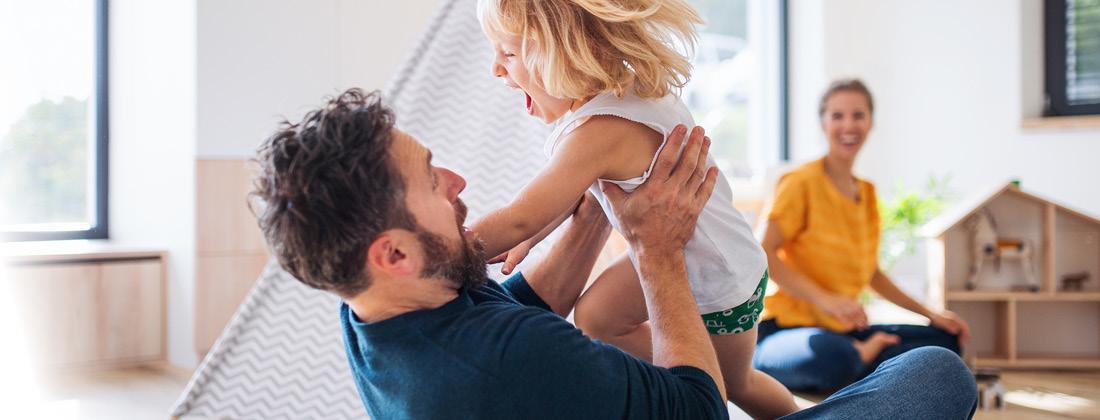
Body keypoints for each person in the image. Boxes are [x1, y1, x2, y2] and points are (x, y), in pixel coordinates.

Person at [251, 88, 976, 419]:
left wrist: (601, 199)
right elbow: (701, 408)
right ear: (395, 254)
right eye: (432, 182)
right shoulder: (500, 365)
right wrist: (656, 251)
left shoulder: (374, 312)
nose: (458, 182)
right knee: (935, 376)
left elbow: (517, 301)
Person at [470, 1, 794, 416]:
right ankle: (672, 373)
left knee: (736, 385)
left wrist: (447, 251)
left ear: (565, 51)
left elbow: (521, 214)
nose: (496, 69)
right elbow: (558, 196)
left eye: (508, 53)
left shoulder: (601, 131)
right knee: (595, 318)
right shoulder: (615, 95)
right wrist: (532, 237)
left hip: (720, 276)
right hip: (685, 254)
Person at [753, 79, 973, 393]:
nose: (848, 125)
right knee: (832, 357)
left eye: (858, 115)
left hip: (845, 332)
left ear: (870, 122)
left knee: (944, 342)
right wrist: (826, 300)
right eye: (837, 116)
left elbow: (872, 274)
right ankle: (863, 359)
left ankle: (865, 356)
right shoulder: (799, 183)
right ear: (823, 123)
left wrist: (932, 314)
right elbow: (763, 252)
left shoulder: (867, 194)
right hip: (785, 332)